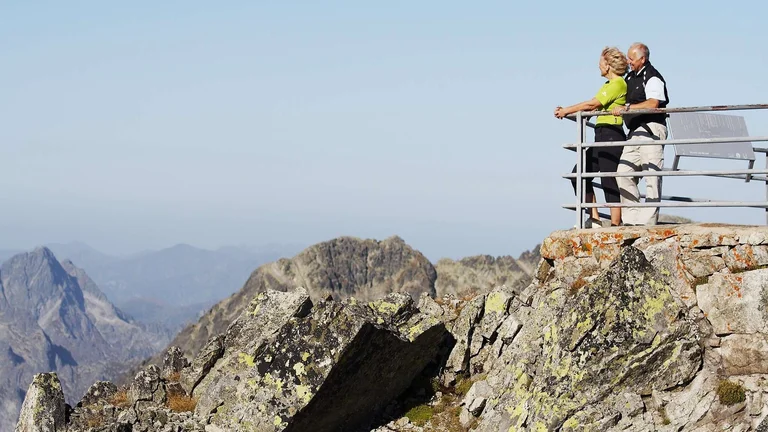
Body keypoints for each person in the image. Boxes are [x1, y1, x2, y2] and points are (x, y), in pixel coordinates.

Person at [555, 47, 628, 228]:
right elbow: (596, 105)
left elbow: (591, 103)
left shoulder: (618, 83)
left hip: (611, 135)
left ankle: (615, 224)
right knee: (578, 175)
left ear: (609, 65)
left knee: (608, 179)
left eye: (601, 63)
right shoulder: (607, 86)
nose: (598, 66)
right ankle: (594, 218)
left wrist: (566, 111)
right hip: (601, 134)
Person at [611, 42, 669, 226]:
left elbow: (653, 104)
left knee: (652, 176)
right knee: (623, 173)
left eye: (631, 58)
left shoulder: (653, 78)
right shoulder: (631, 77)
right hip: (635, 132)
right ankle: (632, 220)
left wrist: (627, 108)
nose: (628, 62)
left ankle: (648, 222)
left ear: (642, 59)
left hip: (651, 129)